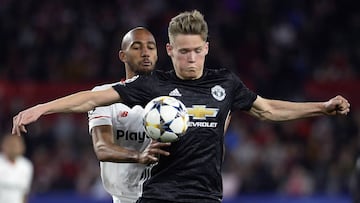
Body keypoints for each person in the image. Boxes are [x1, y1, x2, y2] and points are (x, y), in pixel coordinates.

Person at [12, 10, 351, 203]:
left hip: (205, 196)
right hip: (158, 195)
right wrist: (42, 107)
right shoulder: (151, 84)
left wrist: (321, 108)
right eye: (183, 51)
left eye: (197, 51)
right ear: (170, 50)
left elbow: (269, 110)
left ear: (206, 48)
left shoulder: (226, 84)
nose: (191, 59)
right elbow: (91, 98)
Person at [88, 27, 170, 203]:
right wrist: (138, 156)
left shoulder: (171, 102)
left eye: (151, 47)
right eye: (137, 47)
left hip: (162, 195)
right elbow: (102, 148)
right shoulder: (104, 95)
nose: (145, 53)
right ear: (122, 55)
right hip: (123, 198)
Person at [0, 133, 34, 203]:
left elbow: (24, 193)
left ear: (22, 147)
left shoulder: (26, 166)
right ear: (3, 145)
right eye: (11, 145)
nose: (13, 148)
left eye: (16, 145)